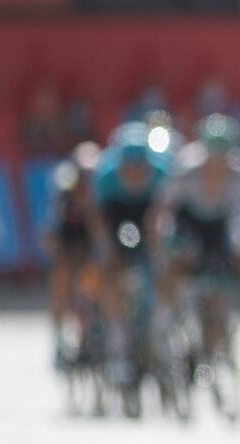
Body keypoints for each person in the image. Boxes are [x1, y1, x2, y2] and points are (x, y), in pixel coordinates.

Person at [157, 113, 240, 363]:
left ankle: (210, 345)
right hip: (188, 220)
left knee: (219, 283)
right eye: (212, 155)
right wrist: (164, 243)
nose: (217, 162)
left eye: (223, 155)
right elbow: (163, 210)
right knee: (177, 263)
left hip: (218, 222)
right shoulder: (186, 168)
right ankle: (166, 318)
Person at [93, 122, 171, 386]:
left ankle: (158, 331)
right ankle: (116, 335)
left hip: (146, 216)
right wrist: (107, 250)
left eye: (141, 165)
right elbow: (100, 220)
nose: (136, 171)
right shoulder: (105, 176)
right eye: (130, 164)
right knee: (110, 271)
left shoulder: (161, 173)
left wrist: (159, 251)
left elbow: (159, 217)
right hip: (117, 216)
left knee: (161, 270)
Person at [45, 142, 104, 368]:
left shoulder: (102, 186)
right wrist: (59, 253)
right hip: (68, 234)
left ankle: (100, 326)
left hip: (92, 234)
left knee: (99, 277)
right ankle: (59, 339)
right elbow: (51, 228)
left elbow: (102, 229)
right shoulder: (63, 184)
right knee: (62, 276)